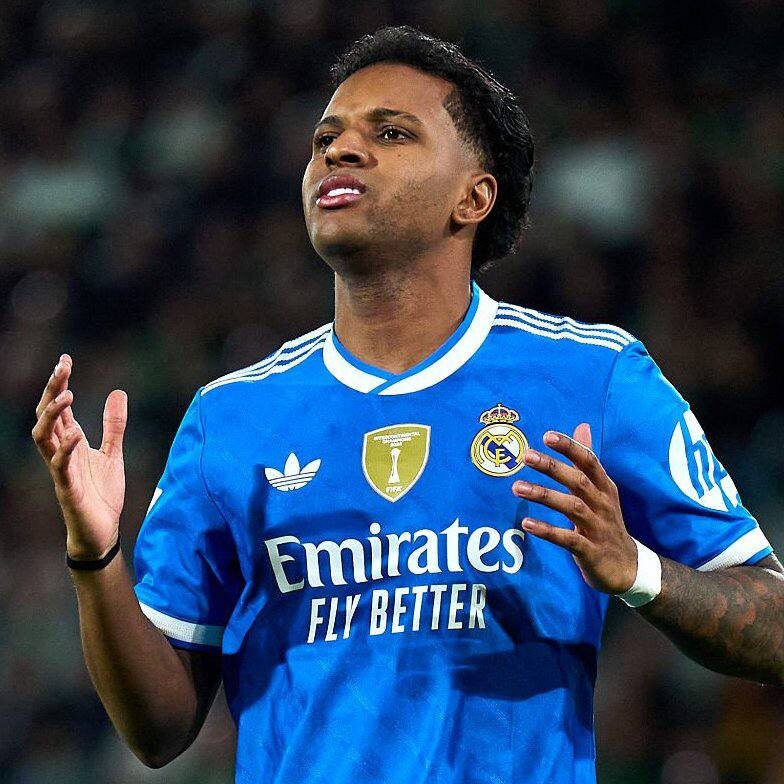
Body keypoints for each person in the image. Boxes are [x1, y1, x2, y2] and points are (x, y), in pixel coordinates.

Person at [32, 25, 784, 784]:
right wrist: (96, 556)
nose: (340, 150)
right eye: (326, 138)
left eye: (391, 132)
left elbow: (775, 622)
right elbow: (157, 732)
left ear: (473, 196)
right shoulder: (230, 418)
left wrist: (639, 570)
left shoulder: (592, 377)